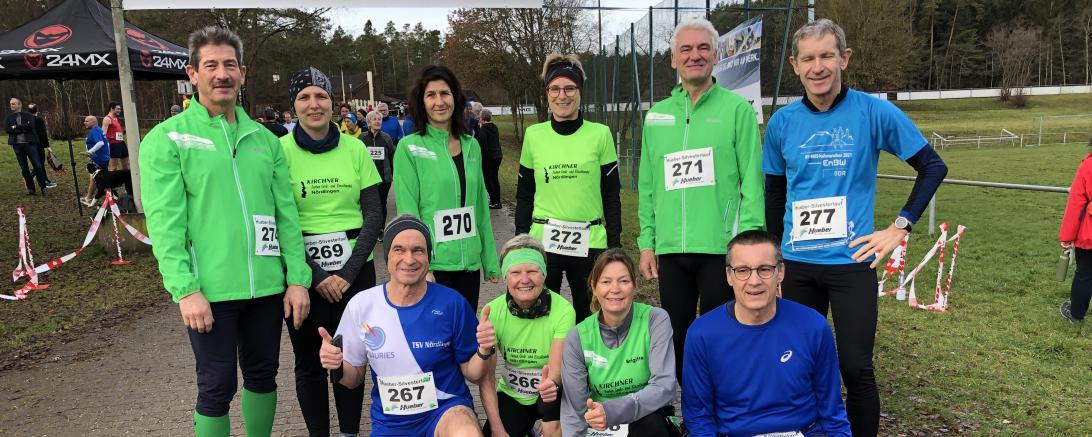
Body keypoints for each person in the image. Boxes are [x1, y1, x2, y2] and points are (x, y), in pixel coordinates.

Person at [762, 19, 948, 436]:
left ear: (844, 58)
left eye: (827, 55)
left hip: (852, 262)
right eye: (808, 58)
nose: (818, 67)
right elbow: (775, 196)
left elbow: (932, 166)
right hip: (796, 264)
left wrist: (900, 227)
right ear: (794, 65)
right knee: (796, 361)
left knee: (855, 365)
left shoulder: (873, 111)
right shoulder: (782, 123)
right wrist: (773, 262)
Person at [139, 26, 311, 437]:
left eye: (229, 65)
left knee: (263, 376)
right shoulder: (168, 139)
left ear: (243, 73)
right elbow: (165, 225)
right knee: (217, 387)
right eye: (211, 65)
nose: (221, 74)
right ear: (192, 74)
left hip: (267, 288)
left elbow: (286, 215)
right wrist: (185, 289)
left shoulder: (265, 140)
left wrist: (297, 279)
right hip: (210, 292)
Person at [636, 17, 764, 383]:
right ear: (673, 59)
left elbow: (751, 184)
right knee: (675, 336)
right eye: (686, 49)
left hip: (720, 248)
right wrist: (647, 243)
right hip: (671, 250)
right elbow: (647, 185)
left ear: (716, 55)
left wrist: (750, 248)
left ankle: (720, 410)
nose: (695, 55)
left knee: (719, 337)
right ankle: (687, 409)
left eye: (703, 48)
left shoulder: (737, 110)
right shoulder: (656, 115)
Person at [318, 215, 493, 437]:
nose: (409, 259)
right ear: (387, 256)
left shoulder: (452, 303)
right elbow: (353, 380)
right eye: (399, 250)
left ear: (429, 257)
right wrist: (336, 366)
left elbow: (475, 374)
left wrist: (485, 350)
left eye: (418, 250)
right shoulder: (362, 305)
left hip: (446, 410)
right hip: (392, 423)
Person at [280, 66, 384, 437]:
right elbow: (278, 220)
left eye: (321, 96)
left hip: (355, 271)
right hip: (302, 274)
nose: (314, 104)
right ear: (294, 106)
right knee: (309, 362)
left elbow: (374, 213)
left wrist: (347, 274)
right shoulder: (280, 151)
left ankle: (350, 432)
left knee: (350, 358)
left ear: (332, 103)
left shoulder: (355, 148)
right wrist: (318, 276)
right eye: (304, 97)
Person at [682, 230, 851, 436]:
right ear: (729, 276)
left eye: (765, 269)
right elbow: (699, 417)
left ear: (780, 272)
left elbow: (832, 411)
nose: (754, 281)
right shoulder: (702, 334)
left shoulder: (813, 326)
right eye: (742, 270)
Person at [516, 54, 622, 324]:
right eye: (555, 89)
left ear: (580, 92)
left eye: (569, 88)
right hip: (544, 240)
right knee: (541, 315)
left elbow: (611, 196)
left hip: (589, 242)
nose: (562, 96)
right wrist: (519, 241)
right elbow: (525, 194)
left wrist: (615, 244)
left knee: (588, 317)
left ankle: (583, 366)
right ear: (547, 93)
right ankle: (547, 367)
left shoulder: (600, 134)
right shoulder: (534, 135)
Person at [393, 65, 500, 308]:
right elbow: (408, 212)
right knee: (436, 341)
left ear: (456, 98)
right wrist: (422, 265)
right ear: (422, 102)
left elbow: (480, 208)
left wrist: (490, 261)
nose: (439, 101)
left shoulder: (472, 145)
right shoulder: (409, 148)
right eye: (431, 95)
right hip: (434, 266)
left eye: (445, 93)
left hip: (469, 264)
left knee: (464, 339)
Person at [561, 249, 676, 437]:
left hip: (645, 420)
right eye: (606, 282)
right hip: (599, 425)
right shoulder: (577, 336)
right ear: (594, 287)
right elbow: (574, 410)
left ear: (635, 285)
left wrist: (613, 411)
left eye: (624, 281)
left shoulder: (656, 319)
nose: (615, 289)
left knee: (651, 424)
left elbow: (664, 386)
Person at [480, 235, 575, 437]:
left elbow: (555, 370)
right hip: (513, 394)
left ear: (543, 274)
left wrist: (551, 392)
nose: (524, 280)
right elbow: (486, 377)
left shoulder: (564, 310)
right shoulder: (492, 312)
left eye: (532, 271)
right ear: (506, 277)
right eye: (515, 272)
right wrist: (497, 427)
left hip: (552, 390)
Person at [1058, 139, 1092, 325]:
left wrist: (1067, 236)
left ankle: (1077, 315)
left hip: (1089, 233)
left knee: (1085, 274)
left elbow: (1076, 204)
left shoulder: (1088, 165)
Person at [6, 97, 49, 196]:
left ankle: (43, 187)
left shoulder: (28, 115)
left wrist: (16, 127)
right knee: (24, 168)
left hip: (30, 144)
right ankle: (31, 189)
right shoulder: (9, 118)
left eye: (13, 104)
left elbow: (30, 126)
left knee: (37, 166)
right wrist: (22, 128)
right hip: (17, 146)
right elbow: (8, 129)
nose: (11, 105)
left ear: (19, 105)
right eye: (10, 104)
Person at [363, 110, 396, 221]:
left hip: (384, 179)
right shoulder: (362, 138)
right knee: (369, 205)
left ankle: (381, 229)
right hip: (367, 178)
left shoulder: (386, 138)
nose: (377, 121)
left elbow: (393, 156)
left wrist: (391, 174)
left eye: (379, 119)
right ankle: (371, 229)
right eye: (374, 119)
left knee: (382, 203)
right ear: (369, 122)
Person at [81, 115, 110, 207]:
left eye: (87, 121)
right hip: (103, 157)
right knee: (95, 178)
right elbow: (106, 143)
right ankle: (90, 197)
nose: (84, 122)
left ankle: (90, 198)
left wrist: (90, 152)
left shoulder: (94, 131)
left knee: (94, 178)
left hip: (99, 159)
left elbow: (100, 143)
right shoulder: (98, 130)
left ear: (93, 122)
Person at [477, 108, 502, 209]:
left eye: (479, 117)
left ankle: (494, 201)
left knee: (489, 179)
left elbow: (483, 146)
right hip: (498, 155)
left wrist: (481, 160)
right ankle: (497, 200)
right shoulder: (494, 127)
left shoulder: (483, 130)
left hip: (489, 158)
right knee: (494, 178)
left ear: (482, 118)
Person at [26, 104, 57, 188]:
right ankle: (44, 181)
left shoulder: (26, 121)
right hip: (38, 145)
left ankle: (32, 179)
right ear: (37, 110)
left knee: (37, 163)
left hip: (28, 145)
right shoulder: (39, 121)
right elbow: (43, 134)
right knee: (40, 163)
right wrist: (47, 146)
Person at [103, 101, 129, 171]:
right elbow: (103, 134)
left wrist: (123, 132)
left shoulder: (116, 119)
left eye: (120, 109)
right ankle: (112, 181)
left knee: (126, 166)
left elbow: (115, 132)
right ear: (112, 108)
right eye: (118, 109)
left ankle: (126, 180)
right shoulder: (107, 119)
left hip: (122, 143)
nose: (119, 111)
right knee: (113, 167)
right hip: (114, 145)